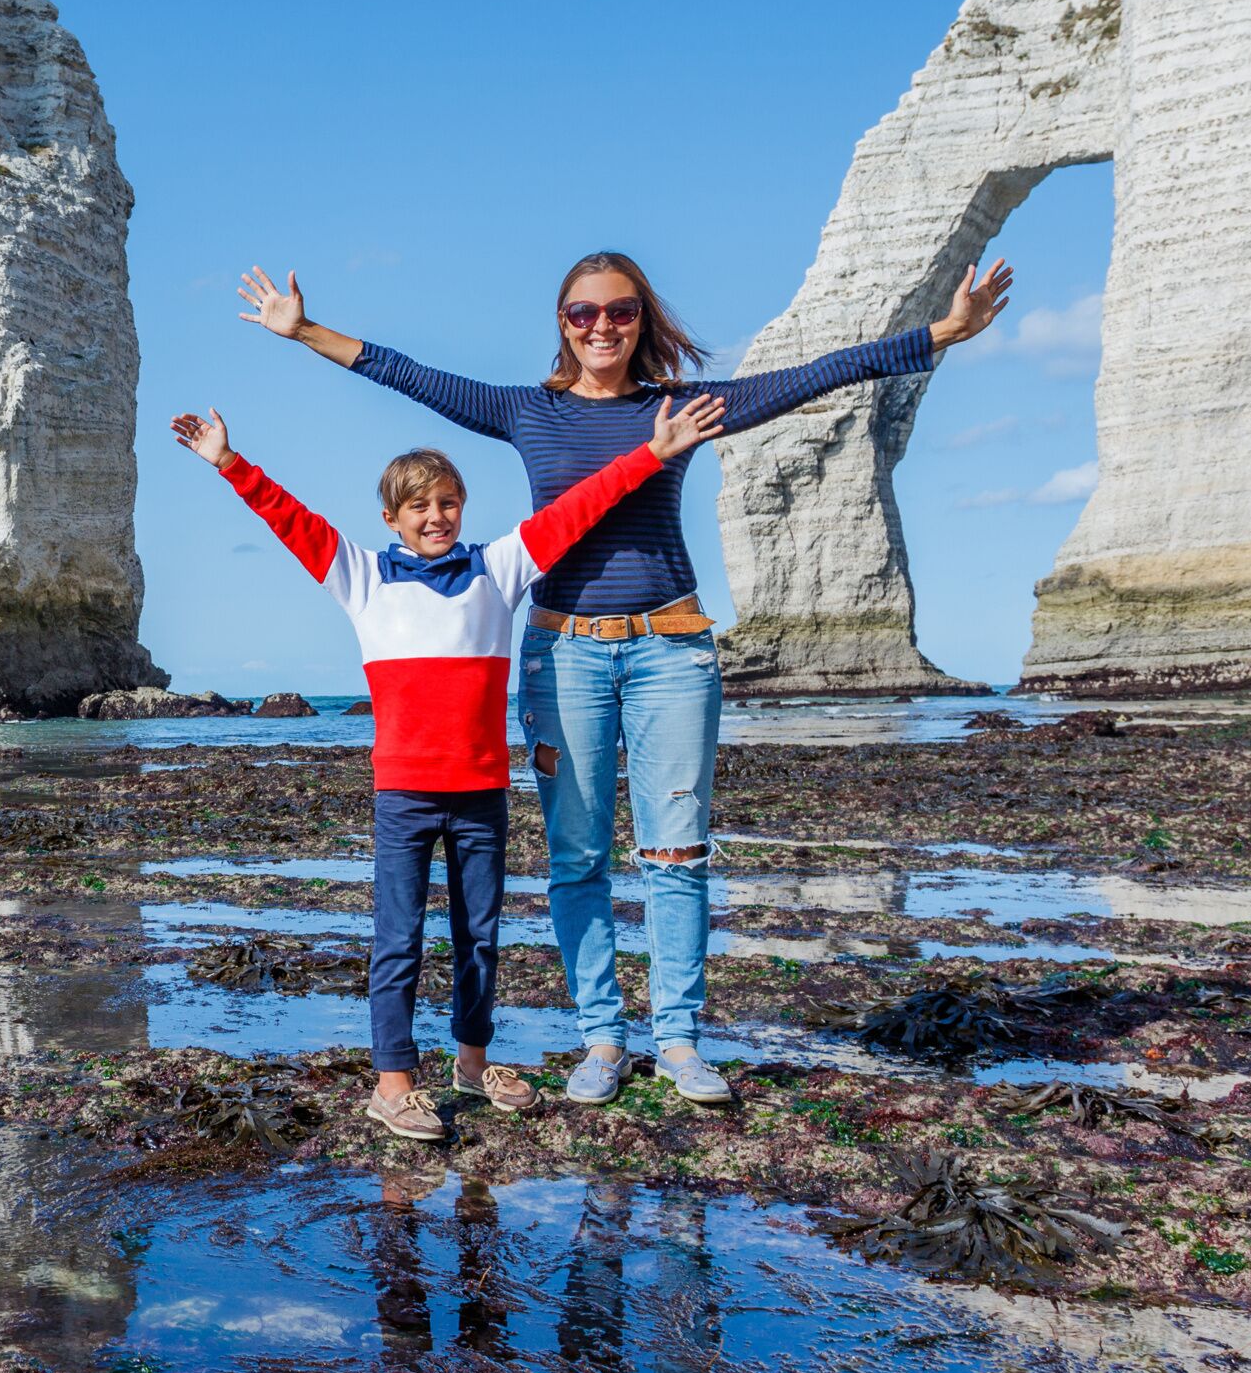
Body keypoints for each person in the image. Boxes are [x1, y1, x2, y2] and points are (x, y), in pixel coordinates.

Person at [237, 251, 1013, 1109]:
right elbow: (406, 374)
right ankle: (602, 1038)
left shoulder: (678, 407)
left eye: (620, 312)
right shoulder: (525, 410)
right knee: (576, 857)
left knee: (676, 853)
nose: (601, 326)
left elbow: (814, 377)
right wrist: (301, 329)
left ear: (643, 320)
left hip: (672, 647)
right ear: (562, 323)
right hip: (561, 650)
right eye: (582, 313)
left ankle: (678, 1039)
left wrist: (941, 332)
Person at [170, 390, 726, 1141]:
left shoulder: (499, 570)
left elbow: (580, 508)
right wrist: (229, 461)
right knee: (398, 938)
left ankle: (471, 1064)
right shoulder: (362, 577)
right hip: (403, 796)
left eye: (449, 502)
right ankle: (393, 1083)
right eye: (419, 506)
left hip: (480, 797)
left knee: (481, 937)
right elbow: (291, 522)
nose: (437, 516)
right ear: (391, 518)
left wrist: (651, 456)